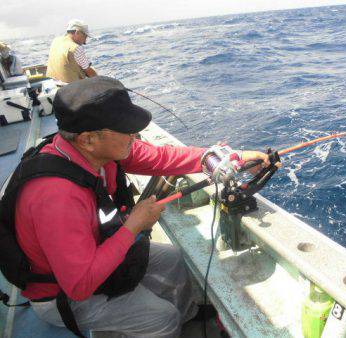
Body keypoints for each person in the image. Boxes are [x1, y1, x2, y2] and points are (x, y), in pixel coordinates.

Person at [12, 76, 269, 337]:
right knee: (161, 318)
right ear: (88, 139)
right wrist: (134, 225)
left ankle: (188, 318)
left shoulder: (98, 151)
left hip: (95, 249)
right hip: (62, 296)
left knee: (172, 259)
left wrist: (229, 157)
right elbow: (79, 285)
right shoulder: (56, 198)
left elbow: (160, 157)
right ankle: (169, 326)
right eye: (126, 129)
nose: (134, 135)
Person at [46, 19, 97, 83]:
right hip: (71, 87)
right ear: (77, 32)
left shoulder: (56, 40)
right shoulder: (76, 48)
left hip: (55, 82)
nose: (85, 41)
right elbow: (89, 72)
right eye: (85, 36)